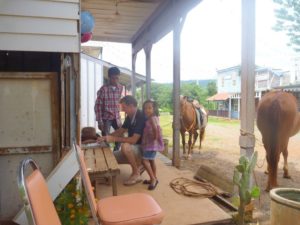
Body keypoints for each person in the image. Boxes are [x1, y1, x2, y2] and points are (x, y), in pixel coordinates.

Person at [97, 95, 146, 185]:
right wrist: (106, 137)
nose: (122, 110)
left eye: (124, 107)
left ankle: (136, 173)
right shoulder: (130, 116)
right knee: (111, 157)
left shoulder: (141, 116)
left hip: (142, 149)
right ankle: (140, 165)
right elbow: (121, 130)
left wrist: (113, 138)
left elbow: (133, 140)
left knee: (125, 146)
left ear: (131, 106)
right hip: (134, 148)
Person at [94, 66, 123, 151]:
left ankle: (116, 151)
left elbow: (118, 101)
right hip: (106, 118)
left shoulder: (120, 88)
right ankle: (107, 153)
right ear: (109, 77)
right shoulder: (103, 89)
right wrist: (99, 121)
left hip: (116, 117)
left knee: (120, 134)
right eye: (113, 78)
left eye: (117, 78)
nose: (115, 80)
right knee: (105, 137)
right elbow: (97, 106)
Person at [141, 99, 164, 190]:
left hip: (151, 144)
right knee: (151, 160)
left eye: (150, 108)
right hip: (152, 143)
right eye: (145, 108)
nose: (147, 110)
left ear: (154, 109)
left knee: (144, 161)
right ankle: (154, 177)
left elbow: (155, 128)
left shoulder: (151, 118)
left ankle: (153, 179)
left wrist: (154, 138)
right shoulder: (154, 117)